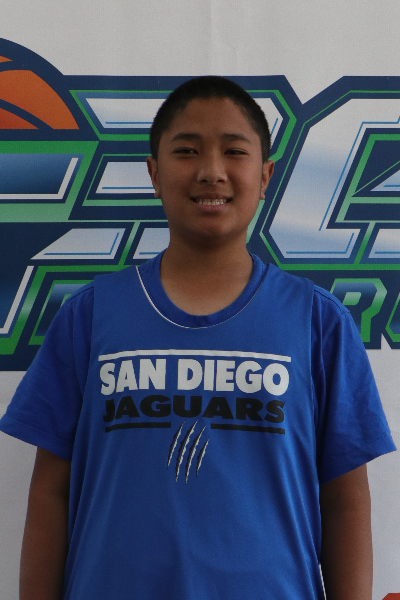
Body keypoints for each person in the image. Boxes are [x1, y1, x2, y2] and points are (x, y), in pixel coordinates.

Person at [0, 76, 396, 600]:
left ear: (265, 175)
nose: (212, 171)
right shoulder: (89, 316)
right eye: (187, 151)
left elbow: (345, 500)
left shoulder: (318, 322)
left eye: (234, 151)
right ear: (154, 173)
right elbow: (50, 491)